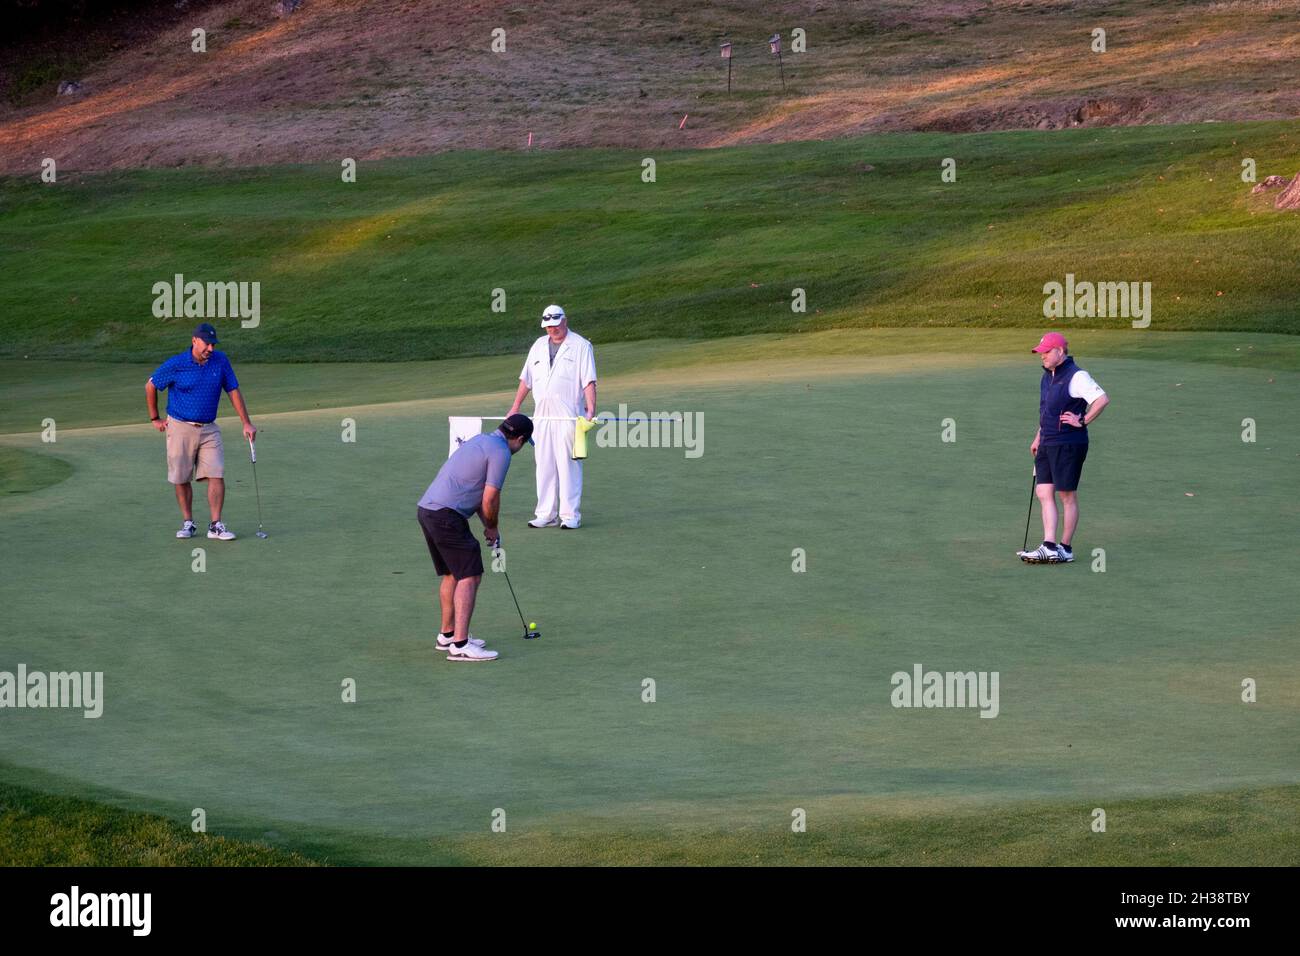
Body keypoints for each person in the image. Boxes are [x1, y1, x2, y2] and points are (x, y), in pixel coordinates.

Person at [417, 414, 534, 662]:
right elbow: (490, 498)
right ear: (520, 439)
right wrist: (493, 527)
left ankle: (447, 635)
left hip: (428, 510)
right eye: (524, 444)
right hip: (446, 516)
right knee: (470, 575)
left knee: (452, 573)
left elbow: (479, 494)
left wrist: (489, 527)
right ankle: (460, 645)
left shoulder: (479, 440)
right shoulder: (501, 452)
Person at [145, 323, 256, 541]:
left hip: (209, 428)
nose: (211, 349)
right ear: (194, 340)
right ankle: (188, 522)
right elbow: (151, 385)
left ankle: (215, 525)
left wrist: (246, 423)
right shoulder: (177, 364)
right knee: (181, 477)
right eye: (207, 344)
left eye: (213, 344)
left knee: (216, 473)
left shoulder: (220, 361)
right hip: (180, 426)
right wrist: (155, 418)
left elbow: (233, 390)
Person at [1019, 332, 1111, 564]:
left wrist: (1083, 420)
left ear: (1060, 351)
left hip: (1069, 443)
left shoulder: (1077, 376)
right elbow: (1046, 412)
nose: (1042, 356)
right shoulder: (1047, 377)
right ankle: (1049, 545)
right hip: (1047, 441)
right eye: (1040, 353)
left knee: (1066, 495)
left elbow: (1102, 399)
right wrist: (1038, 437)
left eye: (1046, 352)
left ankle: (1065, 548)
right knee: (1043, 492)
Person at [507, 304, 597, 530]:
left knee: (568, 466)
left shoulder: (581, 346)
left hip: (568, 416)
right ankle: (546, 514)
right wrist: (515, 407)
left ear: (565, 321)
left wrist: (590, 410)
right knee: (544, 465)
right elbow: (526, 380)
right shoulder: (538, 345)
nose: (552, 329)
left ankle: (570, 515)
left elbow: (588, 380)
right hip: (541, 418)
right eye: (548, 326)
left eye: (556, 325)